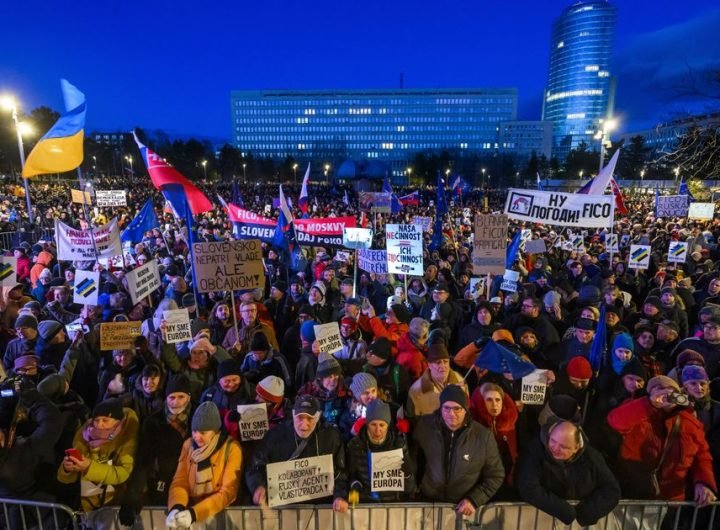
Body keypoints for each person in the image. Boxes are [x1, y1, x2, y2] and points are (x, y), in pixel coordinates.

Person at [607, 375, 717, 503]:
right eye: (659, 389)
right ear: (650, 393)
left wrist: (704, 483)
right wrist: (649, 404)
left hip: (671, 500)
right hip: (633, 496)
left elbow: (702, 456)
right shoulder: (637, 410)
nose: (666, 393)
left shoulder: (690, 423)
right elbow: (615, 421)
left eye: (672, 390)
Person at [412, 385, 504, 516]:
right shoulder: (425, 426)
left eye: (457, 409)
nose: (451, 414)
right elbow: (413, 459)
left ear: (465, 409)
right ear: (441, 407)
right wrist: (415, 488)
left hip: (462, 508)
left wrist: (474, 500)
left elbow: (496, 475)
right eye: (447, 408)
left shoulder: (483, 437)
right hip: (428, 503)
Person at [246, 396, 349, 512]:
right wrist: (257, 486)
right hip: (283, 510)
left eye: (310, 419)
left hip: (321, 510)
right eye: (300, 418)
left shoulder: (331, 437)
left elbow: (341, 472)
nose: (304, 425)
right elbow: (256, 465)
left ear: (318, 417)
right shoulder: (275, 436)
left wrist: (340, 496)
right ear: (293, 414)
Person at [119, 374, 193, 527]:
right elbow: (143, 460)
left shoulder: (197, 419)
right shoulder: (152, 422)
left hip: (192, 484)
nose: (176, 402)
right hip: (163, 483)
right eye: (172, 397)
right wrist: (132, 497)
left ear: (189, 397)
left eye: (181, 397)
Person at [517, 421, 621, 526]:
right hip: (538, 520)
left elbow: (612, 490)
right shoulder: (534, 451)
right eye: (552, 440)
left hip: (579, 523)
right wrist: (563, 510)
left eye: (563, 447)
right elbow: (528, 486)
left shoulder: (592, 458)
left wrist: (585, 513)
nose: (555, 448)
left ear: (576, 448)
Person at [57, 398, 139, 526]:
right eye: (96, 420)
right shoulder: (84, 438)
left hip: (113, 510)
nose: (100, 424)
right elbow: (68, 479)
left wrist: (89, 466)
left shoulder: (125, 441)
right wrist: (67, 468)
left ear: (118, 422)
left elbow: (123, 473)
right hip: (87, 510)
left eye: (105, 420)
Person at [166, 401, 242, 528]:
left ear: (215, 431)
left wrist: (195, 513)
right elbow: (180, 481)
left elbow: (228, 492)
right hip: (189, 517)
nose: (197, 436)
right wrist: (176, 507)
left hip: (221, 517)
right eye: (194, 431)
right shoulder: (188, 446)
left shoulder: (232, 448)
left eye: (203, 433)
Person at [347, 399, 416, 502]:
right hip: (366, 502)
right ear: (367, 424)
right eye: (373, 424)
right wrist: (355, 485)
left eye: (382, 425)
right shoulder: (355, 445)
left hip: (391, 503)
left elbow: (409, 489)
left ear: (388, 425)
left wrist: (408, 474)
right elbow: (350, 475)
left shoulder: (398, 445)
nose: (377, 430)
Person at [407, 343, 468, 418]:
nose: (442, 366)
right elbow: (412, 419)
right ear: (429, 365)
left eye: (445, 361)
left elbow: (467, 411)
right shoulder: (416, 391)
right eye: (438, 362)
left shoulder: (460, 382)